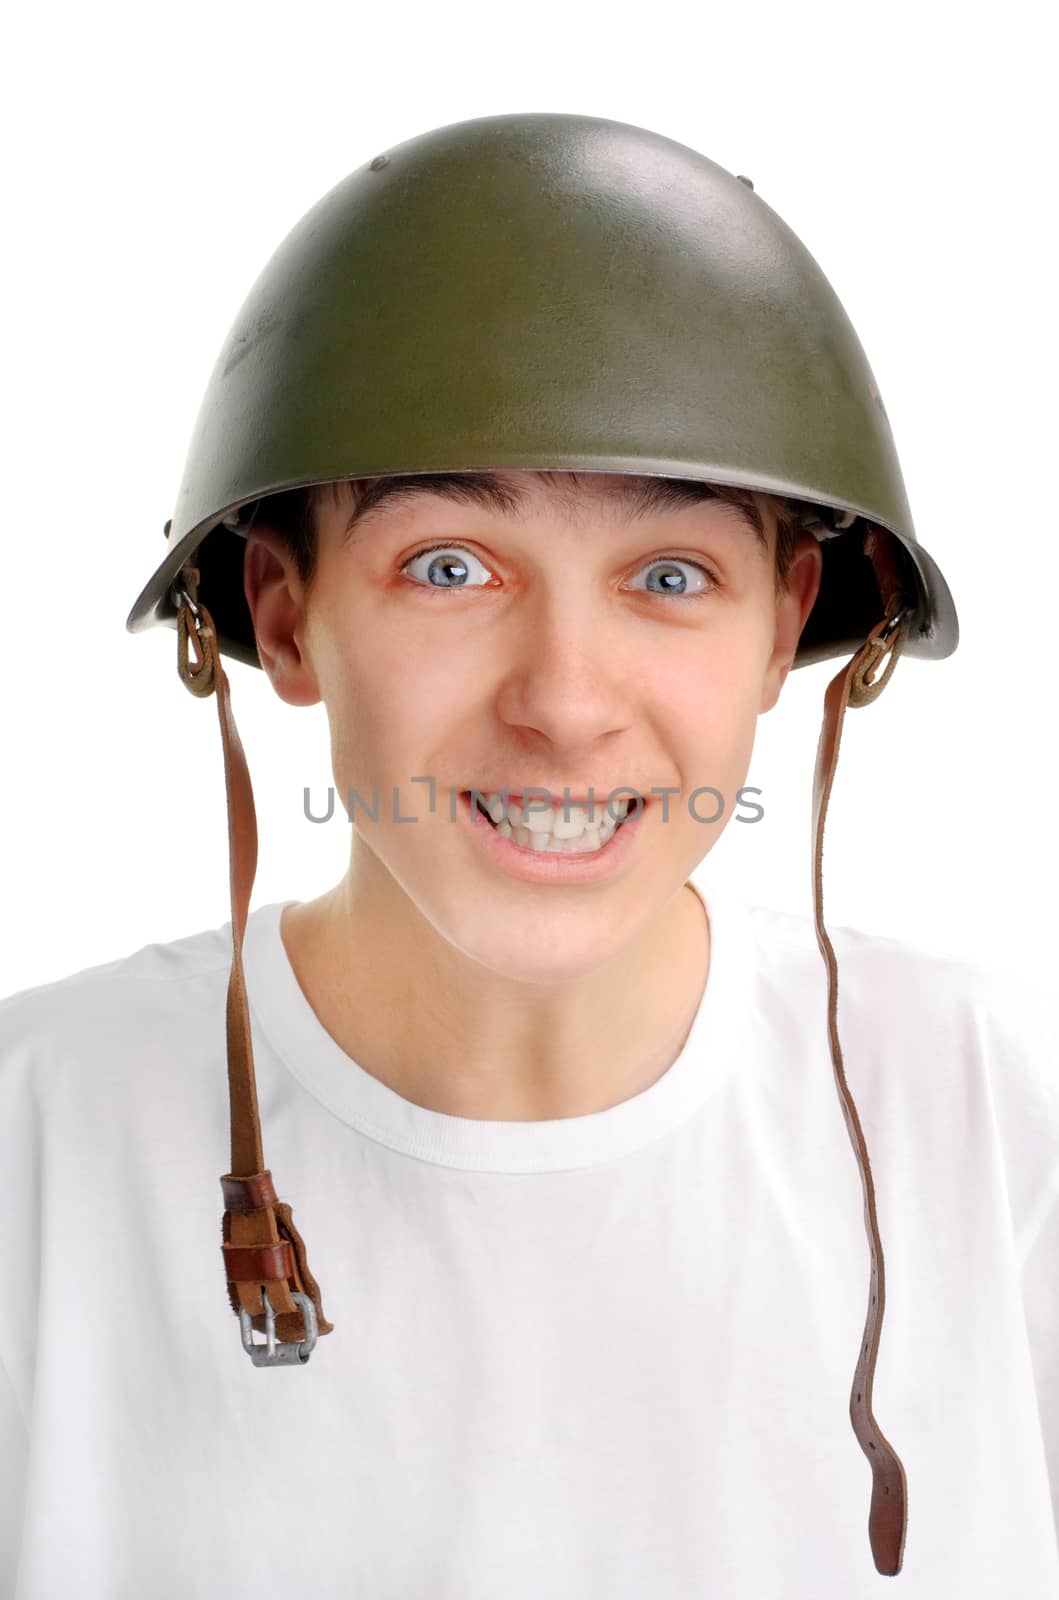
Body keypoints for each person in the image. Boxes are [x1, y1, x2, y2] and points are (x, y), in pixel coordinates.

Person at [0, 112, 1055, 1598]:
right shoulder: (33, 1138)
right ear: (286, 615)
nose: (563, 702)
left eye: (671, 575)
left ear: (783, 621)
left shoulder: (996, 1108)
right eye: (450, 568)